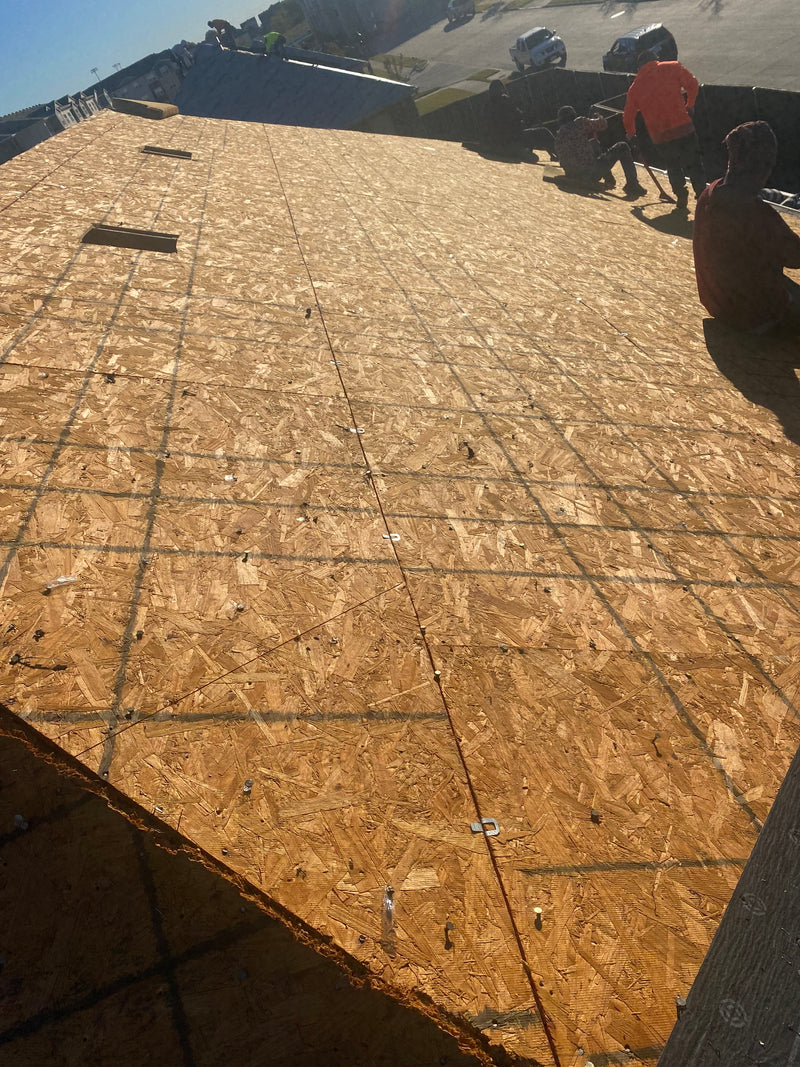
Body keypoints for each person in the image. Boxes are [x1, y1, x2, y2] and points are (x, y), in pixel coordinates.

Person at [693, 121, 800, 334]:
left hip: (717, 303)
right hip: (753, 315)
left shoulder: (708, 194)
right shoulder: (754, 212)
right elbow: (796, 257)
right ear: (763, 167)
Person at [623, 50, 705, 208]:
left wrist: (632, 134)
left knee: (672, 165)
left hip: (660, 135)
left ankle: (681, 195)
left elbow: (627, 117)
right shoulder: (673, 67)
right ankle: (702, 196)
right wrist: (690, 105)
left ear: (639, 67)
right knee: (694, 162)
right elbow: (693, 85)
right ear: (656, 60)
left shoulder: (635, 87)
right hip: (683, 127)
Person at [554, 105, 646, 196]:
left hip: (571, 173)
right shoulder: (579, 123)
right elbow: (603, 124)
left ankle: (609, 178)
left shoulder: (559, 135)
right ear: (573, 116)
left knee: (593, 143)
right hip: (589, 173)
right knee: (623, 146)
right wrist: (598, 117)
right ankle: (632, 184)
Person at [484, 81, 556, 162]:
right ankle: (560, 152)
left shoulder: (488, 105)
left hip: (499, 141)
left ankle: (522, 152)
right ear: (501, 89)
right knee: (543, 132)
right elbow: (519, 115)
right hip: (513, 138)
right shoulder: (504, 101)